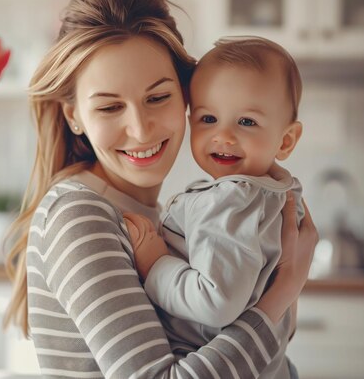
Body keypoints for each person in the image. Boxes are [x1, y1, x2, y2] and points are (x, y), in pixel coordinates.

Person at [3, 0, 318, 378]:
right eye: (109, 107)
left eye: (157, 97)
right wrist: (284, 291)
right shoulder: (80, 218)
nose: (141, 128)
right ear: (74, 116)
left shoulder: (174, 214)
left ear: (187, 95)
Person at [124, 36, 305, 379]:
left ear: (286, 140)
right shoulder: (277, 193)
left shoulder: (231, 201)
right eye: (208, 119)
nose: (223, 136)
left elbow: (215, 301)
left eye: (246, 122)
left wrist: (155, 264)